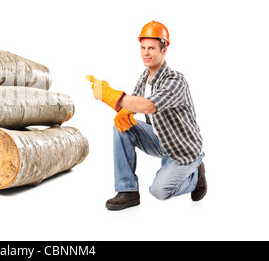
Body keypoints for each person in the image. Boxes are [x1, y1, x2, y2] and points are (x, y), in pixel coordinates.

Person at [86, 21, 207, 210]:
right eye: (143, 48)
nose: (146, 53)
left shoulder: (175, 80)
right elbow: (133, 103)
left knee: (159, 191)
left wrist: (110, 96)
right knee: (121, 126)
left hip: (184, 150)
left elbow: (148, 106)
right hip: (162, 141)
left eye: (151, 48)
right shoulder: (145, 77)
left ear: (164, 50)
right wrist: (124, 110)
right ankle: (128, 191)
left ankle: (195, 176)